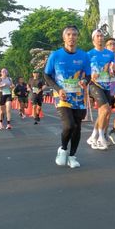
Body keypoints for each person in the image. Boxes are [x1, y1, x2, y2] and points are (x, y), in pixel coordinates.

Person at [44, 25, 91, 168]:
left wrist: (84, 81)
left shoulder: (84, 55)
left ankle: (72, 156)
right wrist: (58, 89)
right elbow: (47, 75)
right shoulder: (55, 55)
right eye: (68, 34)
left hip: (78, 96)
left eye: (74, 34)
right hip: (62, 96)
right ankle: (63, 149)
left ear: (77, 37)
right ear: (64, 38)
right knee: (69, 125)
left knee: (77, 127)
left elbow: (88, 75)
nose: (72, 37)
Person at [86, 29, 115, 150]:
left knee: (105, 112)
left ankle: (94, 136)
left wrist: (113, 71)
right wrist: (90, 75)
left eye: (101, 36)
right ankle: (100, 138)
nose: (100, 38)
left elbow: (112, 70)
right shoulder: (89, 54)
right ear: (93, 39)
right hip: (94, 84)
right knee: (105, 109)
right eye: (97, 36)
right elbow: (84, 71)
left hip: (106, 85)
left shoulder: (110, 54)